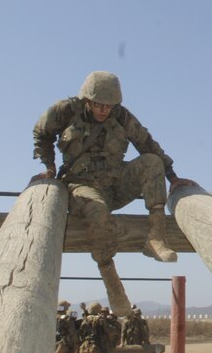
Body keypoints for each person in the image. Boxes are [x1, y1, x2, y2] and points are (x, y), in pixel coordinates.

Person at [32, 71, 194, 309]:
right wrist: (49, 167)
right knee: (99, 214)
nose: (104, 110)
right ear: (88, 100)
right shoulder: (65, 111)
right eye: (99, 105)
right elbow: (41, 133)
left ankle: (156, 238)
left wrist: (173, 177)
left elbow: (147, 144)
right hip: (81, 185)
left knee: (151, 162)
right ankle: (113, 283)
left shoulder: (122, 116)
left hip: (116, 183)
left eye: (109, 106)